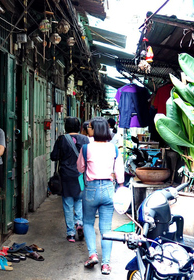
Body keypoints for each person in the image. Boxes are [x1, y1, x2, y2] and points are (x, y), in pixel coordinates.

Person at [76, 117, 124, 275]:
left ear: (95, 130)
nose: (88, 129)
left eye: (90, 127)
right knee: (106, 228)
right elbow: (120, 173)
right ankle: (106, 265)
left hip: (91, 189)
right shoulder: (114, 148)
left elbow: (80, 168)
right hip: (109, 189)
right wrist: (121, 187)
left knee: (88, 223)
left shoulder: (86, 148)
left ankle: (92, 255)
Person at [51, 117, 89, 242]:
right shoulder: (85, 139)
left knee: (68, 204)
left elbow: (53, 156)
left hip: (66, 176)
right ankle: (79, 222)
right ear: (79, 127)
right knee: (79, 199)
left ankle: (71, 234)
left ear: (66, 127)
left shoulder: (61, 139)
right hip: (80, 176)